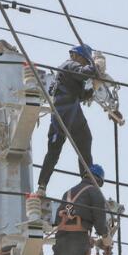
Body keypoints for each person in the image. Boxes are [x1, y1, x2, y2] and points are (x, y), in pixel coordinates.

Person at [36, 44, 98, 196]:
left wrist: (92, 90)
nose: (84, 63)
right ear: (77, 56)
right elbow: (86, 72)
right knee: (58, 148)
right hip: (66, 109)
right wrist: (96, 65)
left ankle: (84, 181)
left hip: (68, 109)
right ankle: (43, 186)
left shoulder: (69, 72)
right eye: (85, 60)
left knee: (79, 141)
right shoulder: (70, 65)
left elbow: (81, 94)